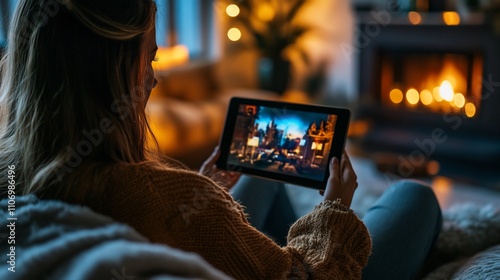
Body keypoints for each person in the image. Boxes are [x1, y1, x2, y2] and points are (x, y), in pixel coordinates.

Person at [0, 1, 440, 279]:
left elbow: (172, 223)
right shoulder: (171, 198)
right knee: (414, 197)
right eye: (148, 59)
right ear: (111, 74)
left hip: (209, 235)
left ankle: (262, 250)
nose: (153, 78)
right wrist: (334, 210)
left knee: (261, 173)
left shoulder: (13, 174)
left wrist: (206, 187)